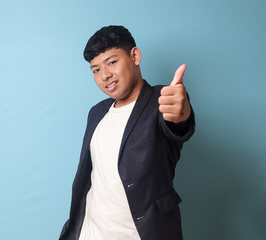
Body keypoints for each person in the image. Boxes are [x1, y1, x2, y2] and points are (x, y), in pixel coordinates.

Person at [59, 25, 195, 240]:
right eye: (96, 70)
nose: (105, 75)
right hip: (89, 233)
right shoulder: (97, 113)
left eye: (112, 62)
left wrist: (181, 113)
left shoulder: (160, 101)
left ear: (135, 56)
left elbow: (177, 124)